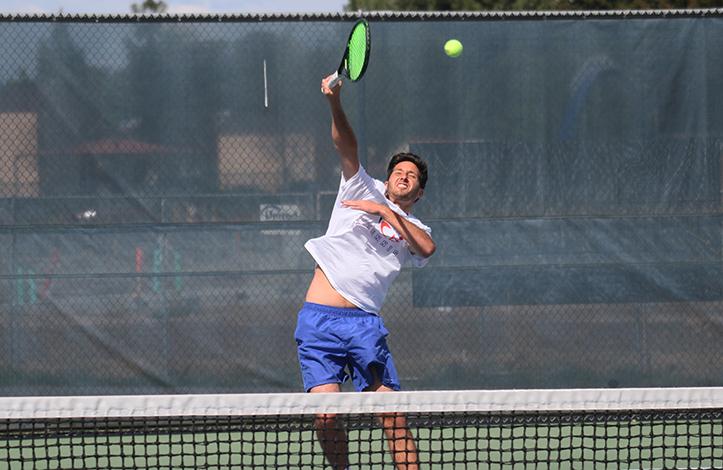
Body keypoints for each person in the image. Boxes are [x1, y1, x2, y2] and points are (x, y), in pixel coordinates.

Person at [294, 74, 436, 470]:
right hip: (319, 320)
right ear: (387, 177)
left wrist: (388, 212)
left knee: (392, 415)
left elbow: (427, 249)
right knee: (325, 416)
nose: (403, 176)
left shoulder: (416, 229)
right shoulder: (359, 186)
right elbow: (346, 143)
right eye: (398, 171)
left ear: (418, 193)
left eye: (412, 177)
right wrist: (334, 102)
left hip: (364, 325)